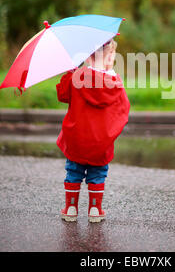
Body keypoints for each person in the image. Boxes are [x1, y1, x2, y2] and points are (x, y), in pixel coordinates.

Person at [56, 39, 130, 222]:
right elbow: (124, 111)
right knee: (97, 173)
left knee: (74, 171)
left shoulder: (77, 77)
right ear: (111, 57)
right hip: (101, 142)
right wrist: (108, 133)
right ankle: (95, 210)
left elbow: (63, 95)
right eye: (112, 54)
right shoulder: (116, 85)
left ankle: (71, 208)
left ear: (88, 58)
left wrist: (71, 71)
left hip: (77, 138)